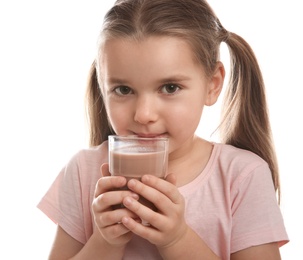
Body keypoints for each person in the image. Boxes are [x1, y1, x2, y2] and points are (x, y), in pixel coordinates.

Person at [37, 0, 289, 259]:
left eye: (170, 88)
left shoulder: (243, 176)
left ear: (212, 85)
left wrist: (178, 239)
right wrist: (105, 242)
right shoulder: (82, 172)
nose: (144, 114)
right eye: (123, 90)